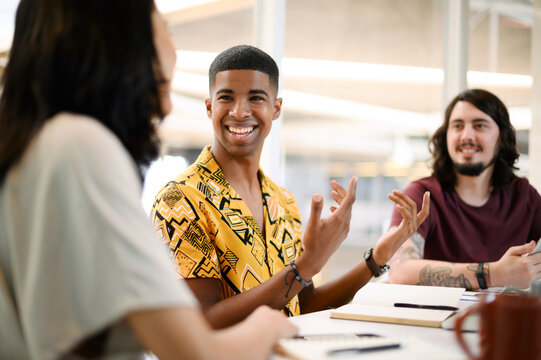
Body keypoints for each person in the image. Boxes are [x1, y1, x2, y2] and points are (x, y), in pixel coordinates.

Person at [0, 1, 298, 360]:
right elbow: (194, 350)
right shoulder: (80, 147)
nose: (172, 51)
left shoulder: (35, 145)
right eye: (164, 30)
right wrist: (271, 326)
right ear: (119, 43)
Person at [151, 45, 430, 329]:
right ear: (209, 107)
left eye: (256, 98)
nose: (239, 111)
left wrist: (377, 259)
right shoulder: (180, 198)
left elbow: (301, 305)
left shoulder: (282, 202)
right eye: (226, 98)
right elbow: (201, 324)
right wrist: (305, 267)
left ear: (276, 109)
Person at [388, 89, 541, 290]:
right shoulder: (421, 195)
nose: (466, 136)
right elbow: (399, 271)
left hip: (503, 318)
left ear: (501, 138)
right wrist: (492, 274)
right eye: (457, 126)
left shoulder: (524, 196)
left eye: (480, 126)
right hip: (434, 320)